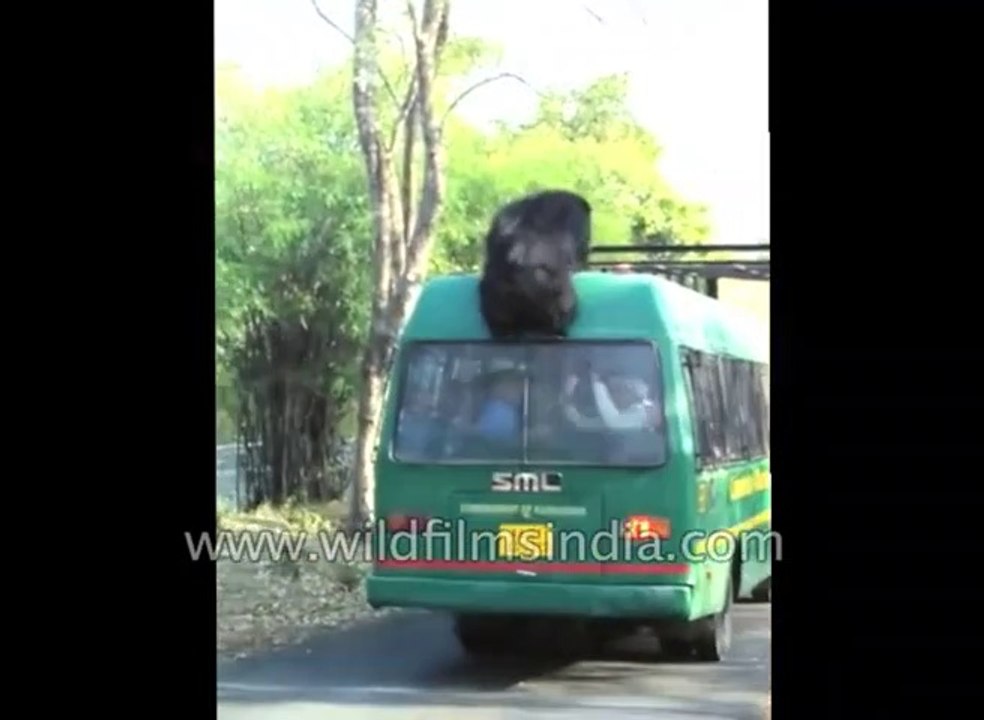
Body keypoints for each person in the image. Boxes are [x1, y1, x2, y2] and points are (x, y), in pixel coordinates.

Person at [561, 370, 661, 431]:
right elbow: (582, 422)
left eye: (620, 389)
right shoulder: (629, 414)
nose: (616, 394)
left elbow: (615, 422)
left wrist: (597, 383)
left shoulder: (644, 413)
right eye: (612, 392)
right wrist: (568, 395)